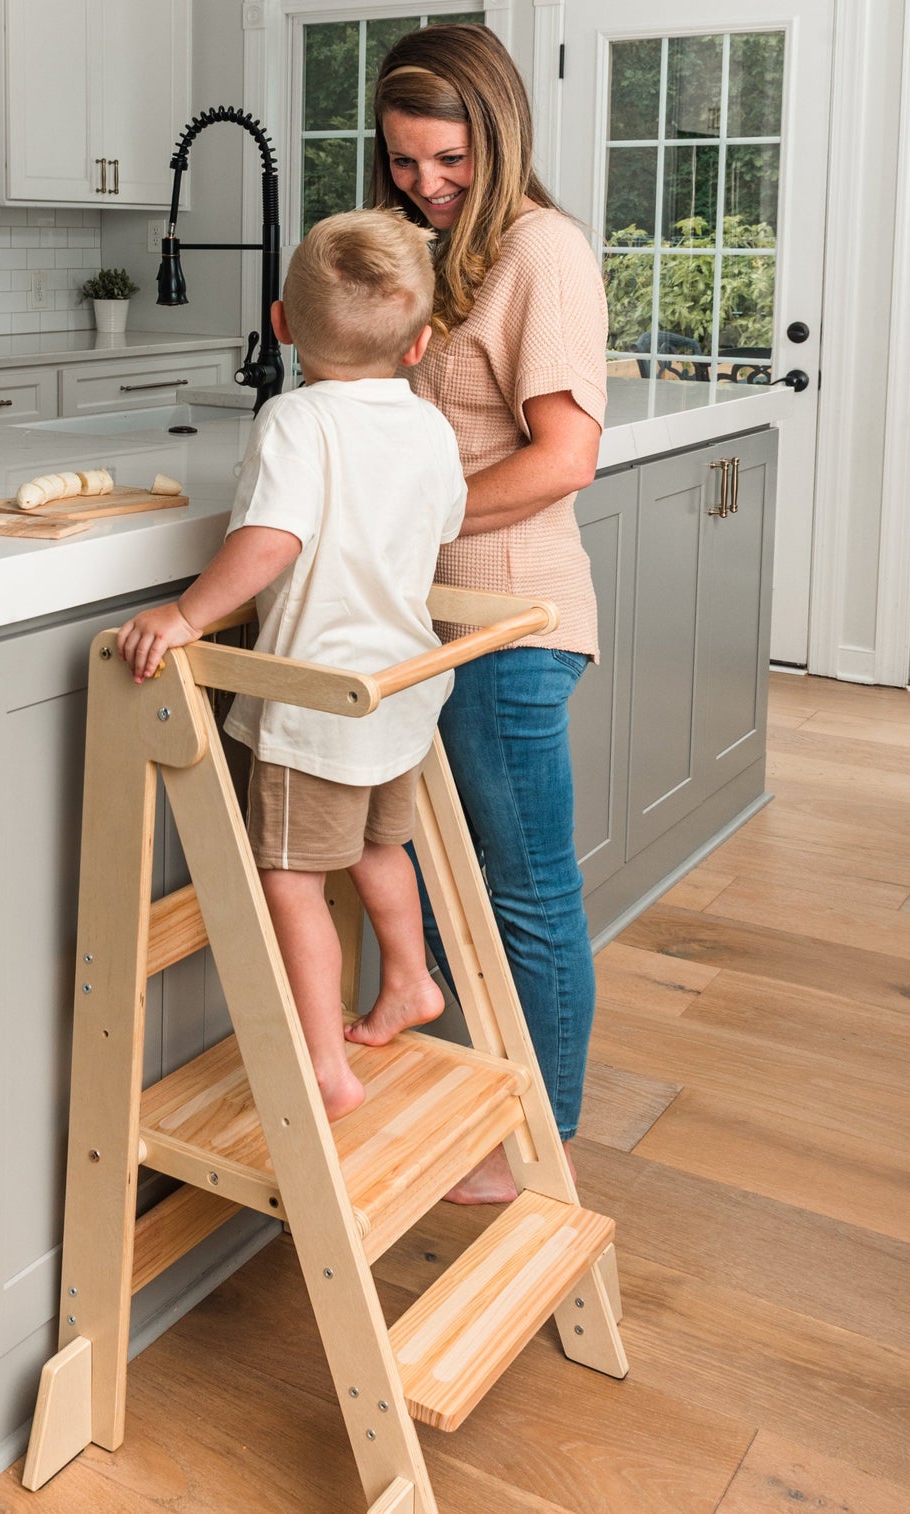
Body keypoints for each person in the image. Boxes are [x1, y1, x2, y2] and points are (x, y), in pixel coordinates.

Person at [116, 209, 467, 1121]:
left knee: (290, 877)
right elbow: (445, 528)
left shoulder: (295, 419)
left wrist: (188, 613)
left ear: (280, 323)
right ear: (420, 341)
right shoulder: (428, 424)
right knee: (381, 844)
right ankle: (409, 979)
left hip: (318, 700)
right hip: (401, 686)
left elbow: (271, 540)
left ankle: (323, 1065)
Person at [370, 22, 608, 1200]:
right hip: (432, 619)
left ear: (499, 136)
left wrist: (414, 517)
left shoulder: (541, 248)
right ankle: (480, 1090)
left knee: (525, 890)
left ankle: (538, 1142)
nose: (428, 184)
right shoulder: (426, 246)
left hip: (511, 621)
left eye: (451, 160)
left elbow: (564, 457)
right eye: (406, 160)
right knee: (427, 867)